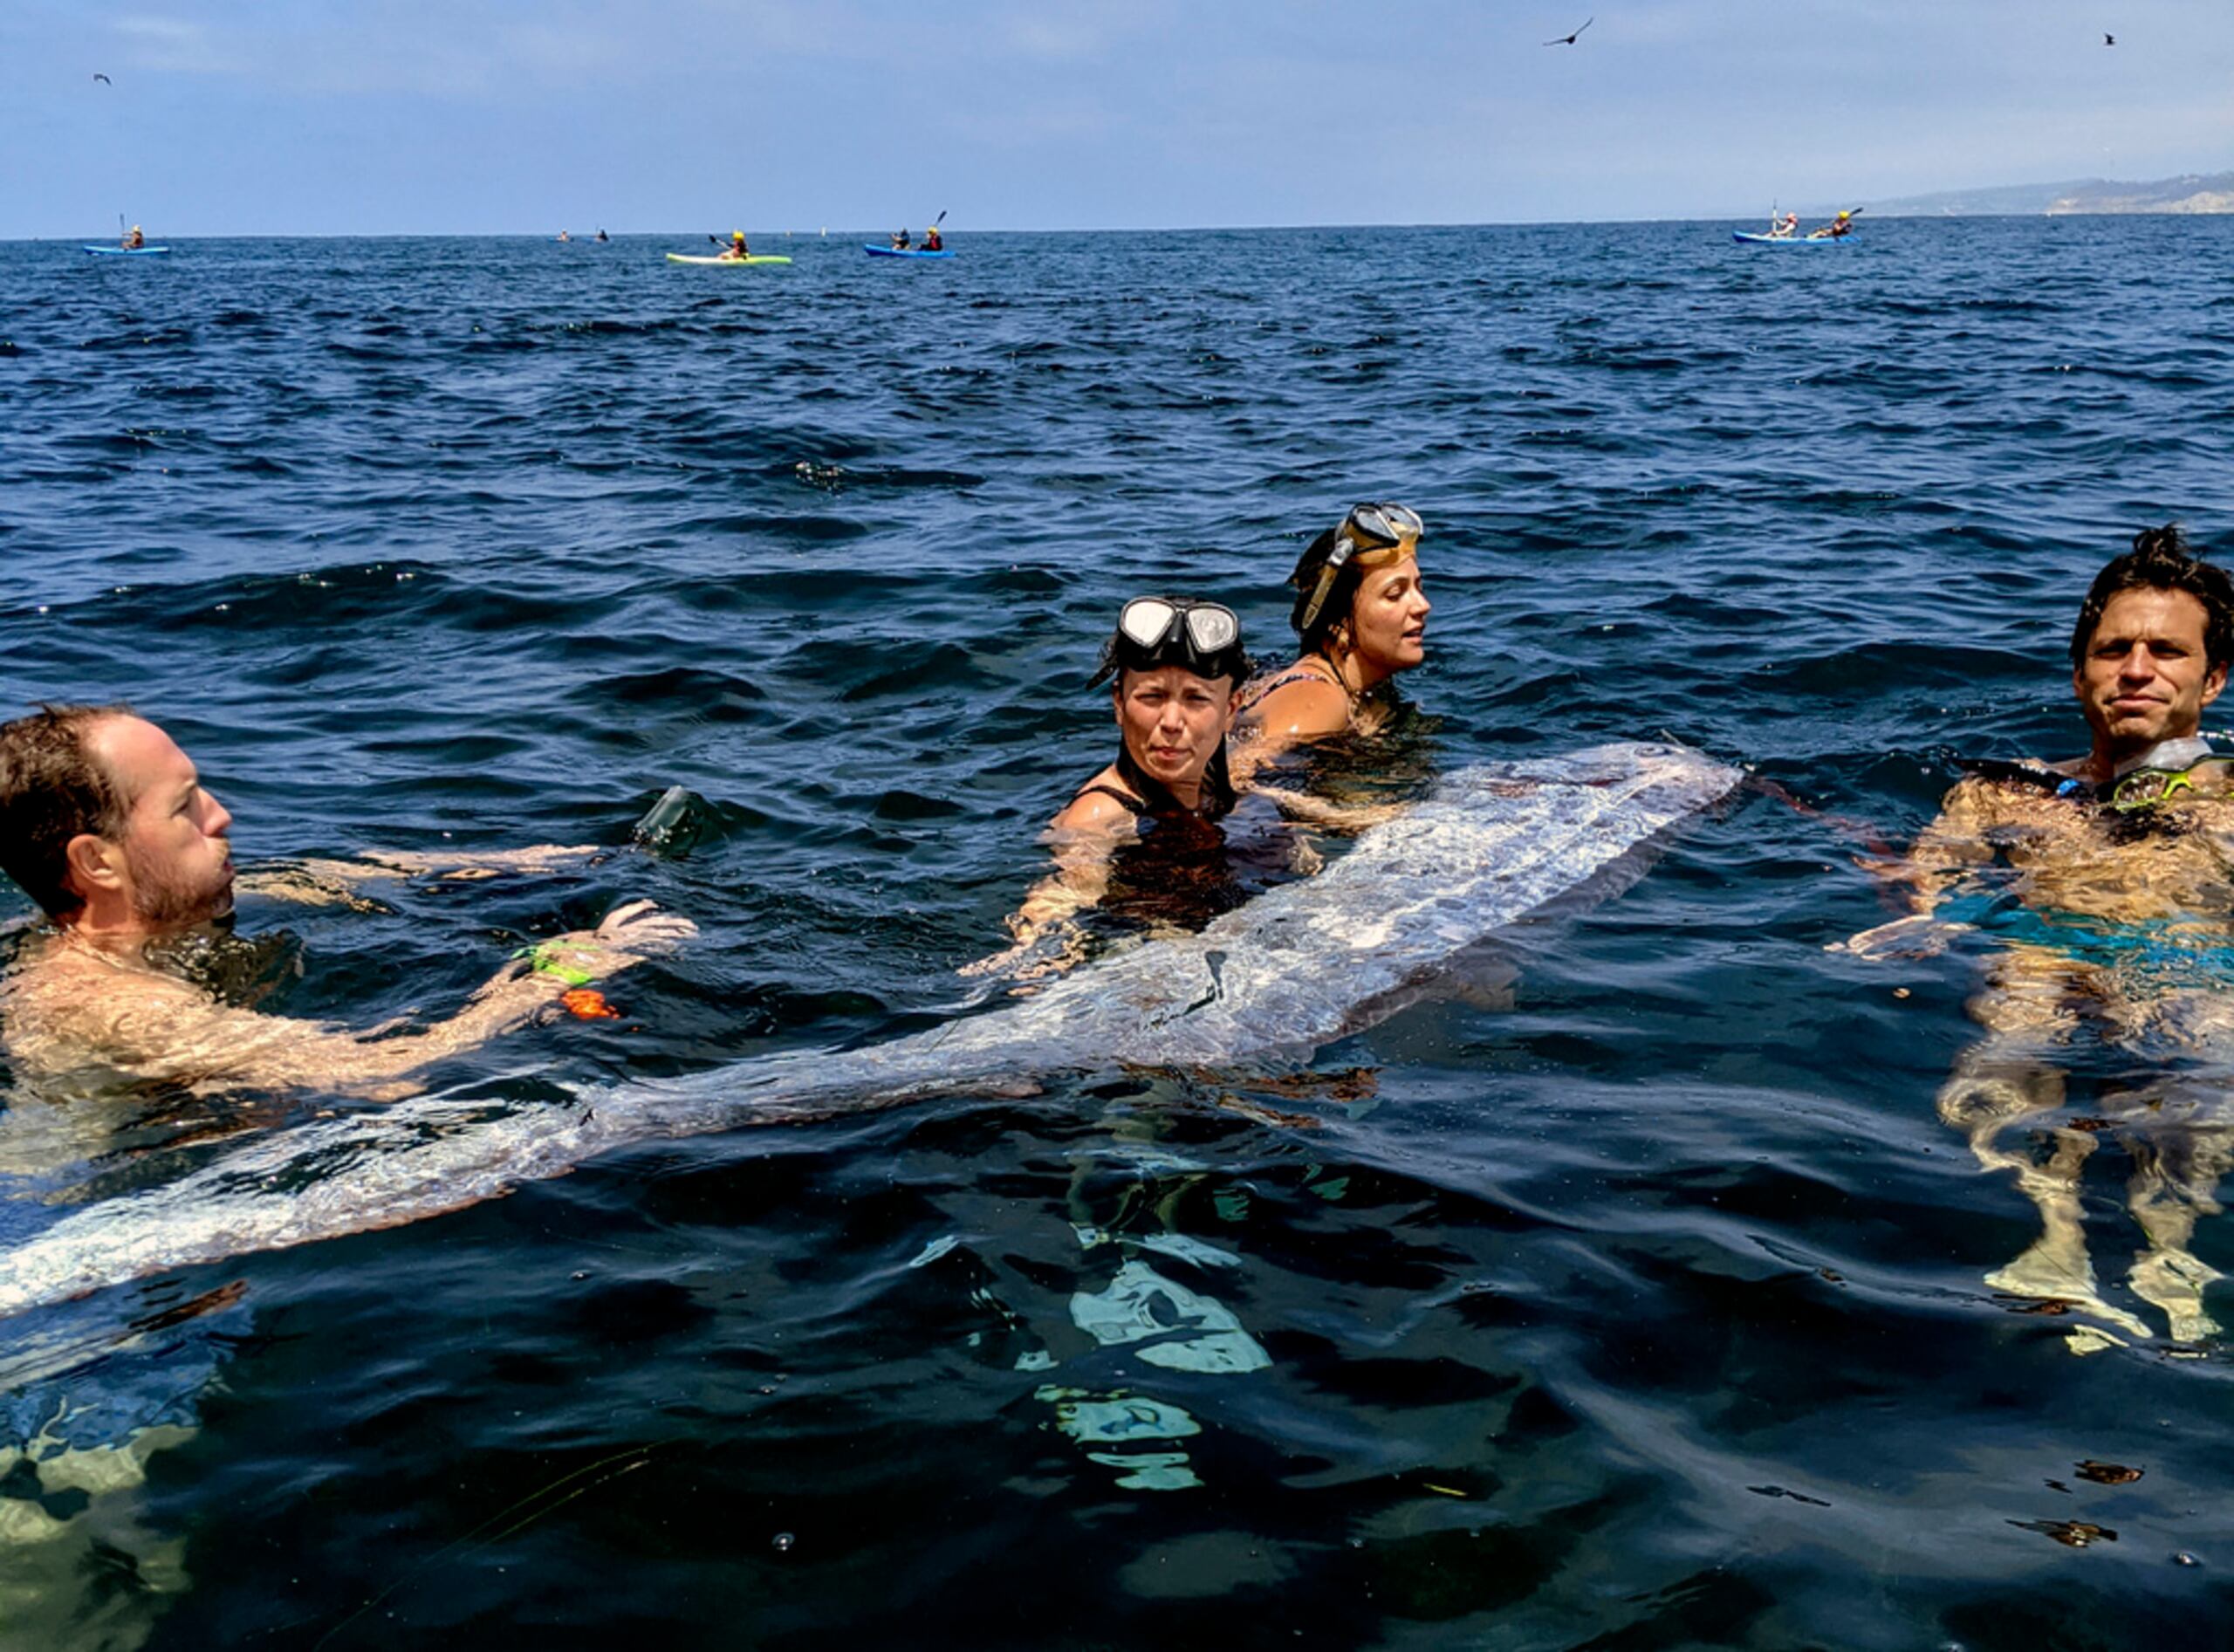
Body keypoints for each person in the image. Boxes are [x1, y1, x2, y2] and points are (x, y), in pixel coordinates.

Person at [1846, 525, 2234, 1347]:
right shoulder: (2000, 792)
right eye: (2113, 649)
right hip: (2041, 954)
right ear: (2078, 673)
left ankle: (2171, 1253)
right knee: (2015, 1020)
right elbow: (1931, 878)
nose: (2136, 669)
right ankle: (2055, 1235)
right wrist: (1912, 909)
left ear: (2214, 677)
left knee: (2208, 1040)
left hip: (2189, 962)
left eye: (2167, 651)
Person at [0, 705, 693, 1098]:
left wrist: (535, 862)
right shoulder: (110, 1005)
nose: (222, 814)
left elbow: (345, 875)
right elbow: (381, 1071)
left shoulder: (160, 916)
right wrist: (557, 971)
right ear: (97, 862)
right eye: (185, 808)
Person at [968, 599, 1252, 975]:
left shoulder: (1217, 789)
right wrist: (1031, 954)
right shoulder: (1102, 813)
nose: (1171, 721)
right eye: (1152, 697)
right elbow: (1063, 892)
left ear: (1231, 710)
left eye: (1196, 699)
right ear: (1119, 703)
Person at [1232, 503, 1431, 781]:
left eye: (1419, 588)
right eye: (1394, 594)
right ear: (1339, 623)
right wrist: (1321, 806)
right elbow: (1234, 778)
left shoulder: (1351, 690)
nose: (1422, 606)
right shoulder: (1317, 701)